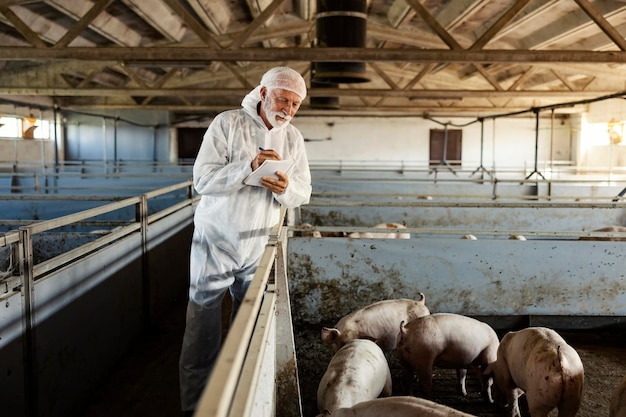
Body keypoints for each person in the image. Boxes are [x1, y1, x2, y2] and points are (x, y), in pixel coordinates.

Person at [178, 66, 312, 416]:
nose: (288, 109)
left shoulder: (293, 138)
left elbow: (304, 191)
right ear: (264, 93)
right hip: (217, 240)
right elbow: (202, 180)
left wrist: (286, 189)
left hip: (259, 245)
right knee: (202, 324)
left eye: (296, 104)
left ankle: (239, 399)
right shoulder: (228, 123)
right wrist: (248, 167)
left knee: (249, 326)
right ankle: (196, 407)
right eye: (284, 99)